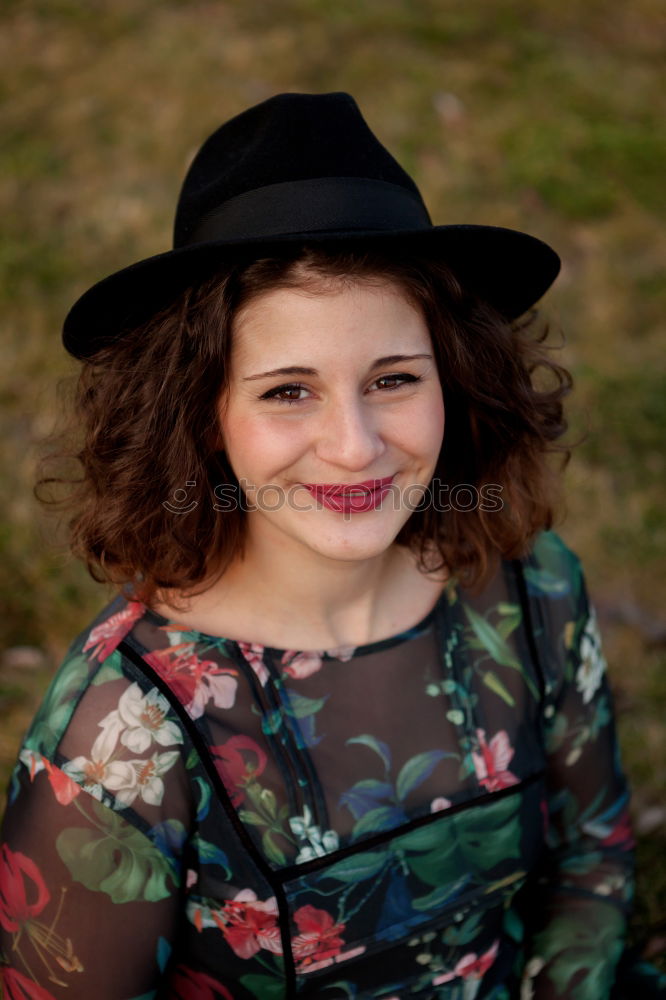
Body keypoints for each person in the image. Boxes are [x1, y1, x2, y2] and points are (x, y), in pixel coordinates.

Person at [0, 91, 659, 1000]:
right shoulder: (128, 734)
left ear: (457, 381)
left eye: (392, 378)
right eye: (287, 391)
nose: (355, 446)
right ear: (203, 418)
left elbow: (591, 860)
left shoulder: (531, 590)